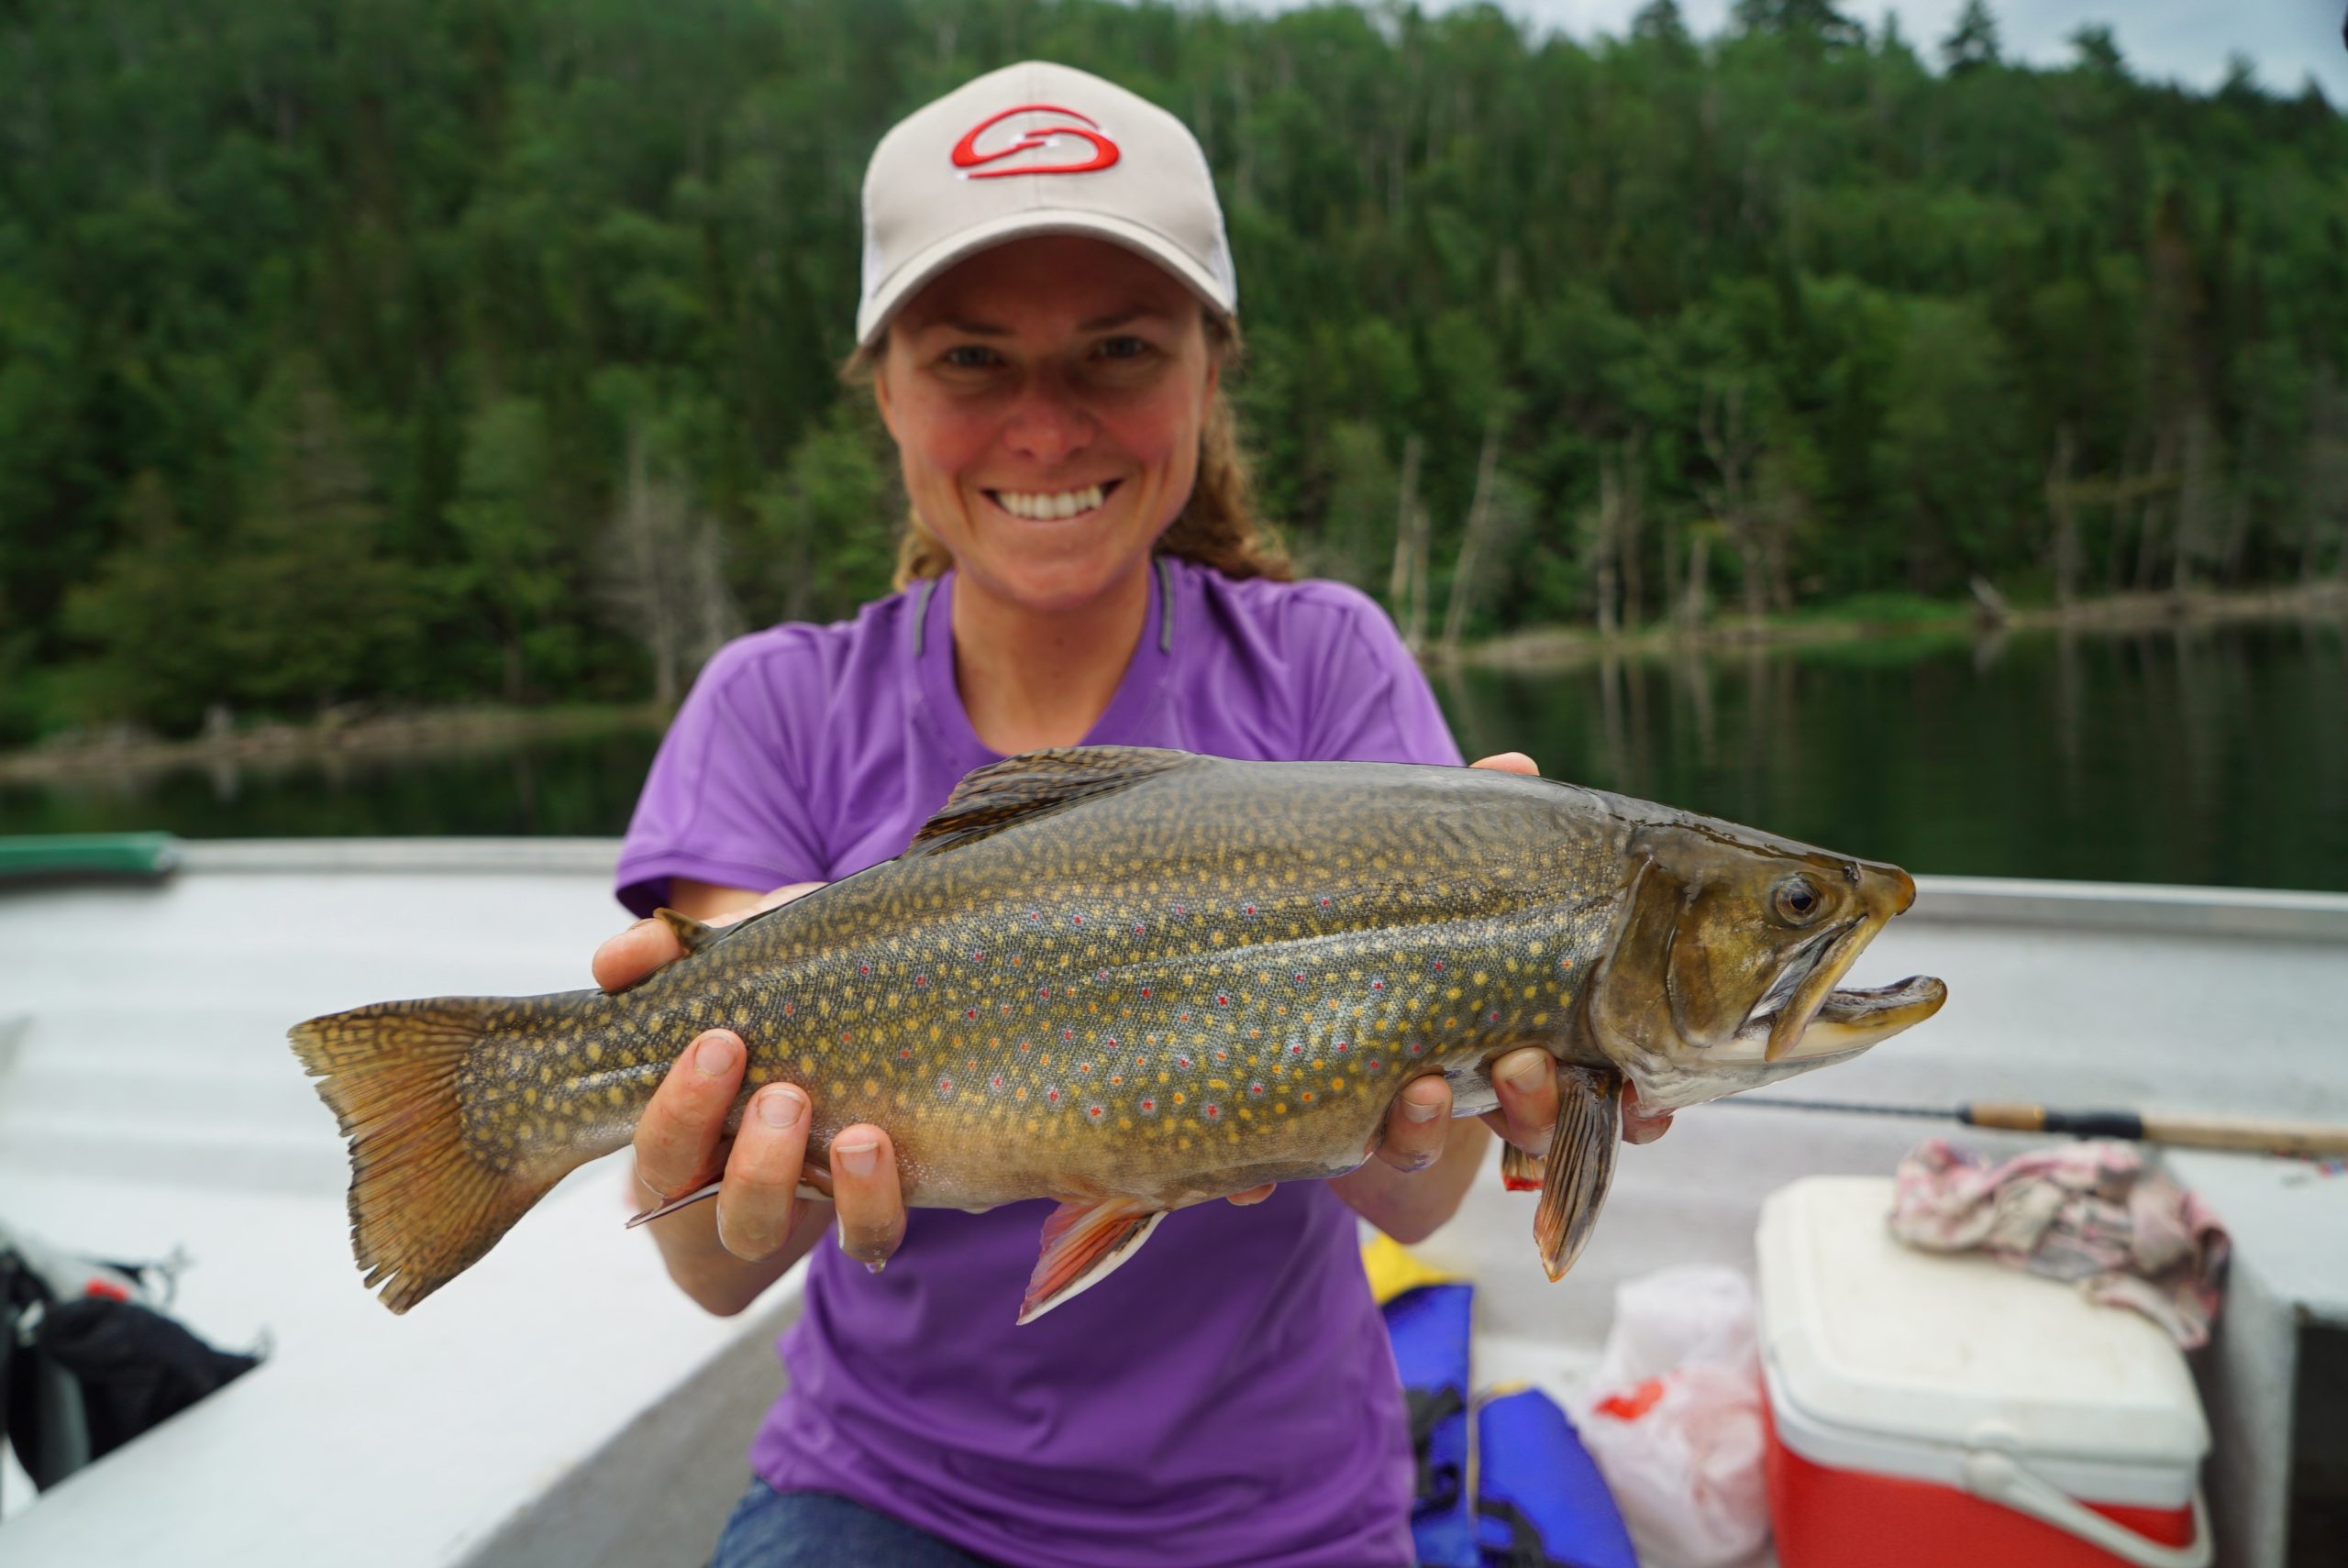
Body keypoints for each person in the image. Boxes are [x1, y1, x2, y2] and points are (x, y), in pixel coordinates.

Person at [593, 61, 1668, 1568]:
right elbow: (713, 1277)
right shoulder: (775, 710)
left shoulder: (1325, 667)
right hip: (886, 1490)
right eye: (973, 358)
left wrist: (1494, 1069)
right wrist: (699, 1157)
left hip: (1276, 1510)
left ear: (1208, 371)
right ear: (883, 386)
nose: (1047, 424)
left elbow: (1415, 1192)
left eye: (1117, 349)